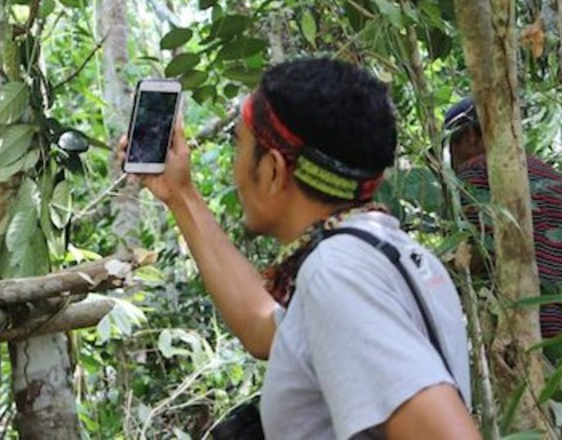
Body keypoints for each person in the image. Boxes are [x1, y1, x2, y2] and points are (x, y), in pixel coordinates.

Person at [130, 58, 477, 439]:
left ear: (273, 170)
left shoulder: (337, 273)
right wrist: (181, 195)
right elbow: (264, 329)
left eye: (240, 148)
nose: (235, 169)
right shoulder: (392, 255)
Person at [445, 96, 562, 420]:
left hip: (535, 338)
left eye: (453, 149)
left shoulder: (477, 171)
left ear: (471, 137)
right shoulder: (556, 179)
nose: (455, 162)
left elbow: (482, 249)